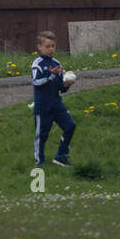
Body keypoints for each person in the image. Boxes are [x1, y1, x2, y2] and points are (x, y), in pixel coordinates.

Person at [31, 30, 76, 167]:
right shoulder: (37, 64)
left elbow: (61, 88)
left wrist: (67, 84)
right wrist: (51, 76)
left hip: (57, 105)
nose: (51, 49)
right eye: (48, 46)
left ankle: (61, 156)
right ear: (40, 47)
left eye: (53, 46)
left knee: (70, 126)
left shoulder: (57, 63)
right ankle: (40, 162)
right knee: (42, 136)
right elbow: (36, 82)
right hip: (43, 107)